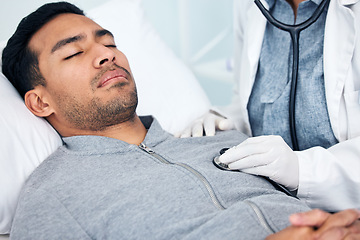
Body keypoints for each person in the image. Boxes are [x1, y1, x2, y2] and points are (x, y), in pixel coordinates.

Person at [1, 2, 359, 239]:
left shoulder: (218, 140)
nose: (105, 56)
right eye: (75, 52)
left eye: (109, 43)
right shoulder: (51, 200)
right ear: (39, 101)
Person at [177, 0, 360, 213]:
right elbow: (251, 98)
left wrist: (302, 170)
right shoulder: (249, 5)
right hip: (268, 205)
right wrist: (224, 118)